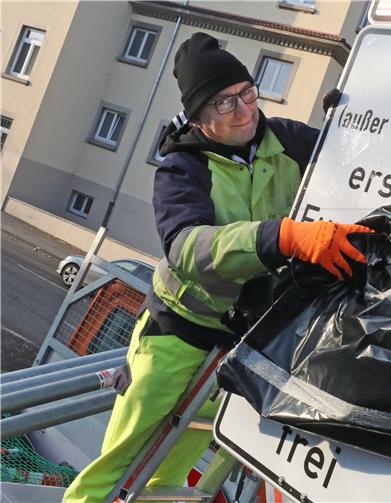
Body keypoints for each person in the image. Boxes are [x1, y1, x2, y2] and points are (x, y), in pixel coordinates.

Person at [63, 32, 371, 502]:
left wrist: (358, 120)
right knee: (118, 469)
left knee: (173, 476)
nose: (246, 111)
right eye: (225, 104)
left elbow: (356, 166)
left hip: (244, 342)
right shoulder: (181, 168)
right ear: (198, 118)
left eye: (248, 93)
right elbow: (187, 247)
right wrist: (283, 237)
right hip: (177, 333)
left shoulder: (288, 140)